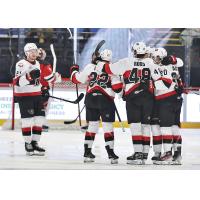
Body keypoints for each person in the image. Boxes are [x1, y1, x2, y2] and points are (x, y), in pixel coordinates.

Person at [99, 42, 165, 165]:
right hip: (148, 98)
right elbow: (160, 81)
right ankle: (144, 155)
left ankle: (138, 154)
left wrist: (99, 62)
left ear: (134, 51)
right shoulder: (150, 62)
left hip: (133, 98)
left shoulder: (126, 61)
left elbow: (108, 69)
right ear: (145, 52)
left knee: (135, 126)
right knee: (145, 126)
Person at [70, 49, 123, 164]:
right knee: (107, 126)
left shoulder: (89, 67)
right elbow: (118, 88)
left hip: (90, 99)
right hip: (105, 100)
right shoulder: (112, 68)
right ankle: (111, 153)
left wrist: (74, 70)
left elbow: (76, 79)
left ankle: (87, 152)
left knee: (92, 126)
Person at [151, 47, 184, 165]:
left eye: (157, 57)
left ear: (163, 57)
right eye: (153, 57)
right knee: (175, 126)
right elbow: (180, 62)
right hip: (176, 98)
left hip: (166, 98)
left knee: (165, 127)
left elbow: (162, 85)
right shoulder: (172, 63)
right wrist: (172, 59)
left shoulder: (163, 67)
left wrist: (151, 82)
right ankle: (177, 154)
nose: (155, 59)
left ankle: (168, 154)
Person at [13, 43, 46, 156]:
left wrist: (43, 88)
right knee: (27, 121)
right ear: (26, 53)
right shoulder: (21, 64)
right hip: (25, 97)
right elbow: (16, 82)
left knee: (40, 120)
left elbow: (37, 81)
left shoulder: (37, 63)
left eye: (35, 51)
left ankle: (34, 143)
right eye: (31, 52)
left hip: (37, 96)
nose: (33, 53)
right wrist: (29, 77)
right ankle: (27, 144)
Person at [37, 48, 61, 132]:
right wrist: (56, 76)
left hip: (30, 90)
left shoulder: (28, 63)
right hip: (42, 91)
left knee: (33, 109)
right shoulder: (45, 64)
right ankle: (40, 124)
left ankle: (33, 124)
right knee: (43, 109)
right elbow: (51, 79)